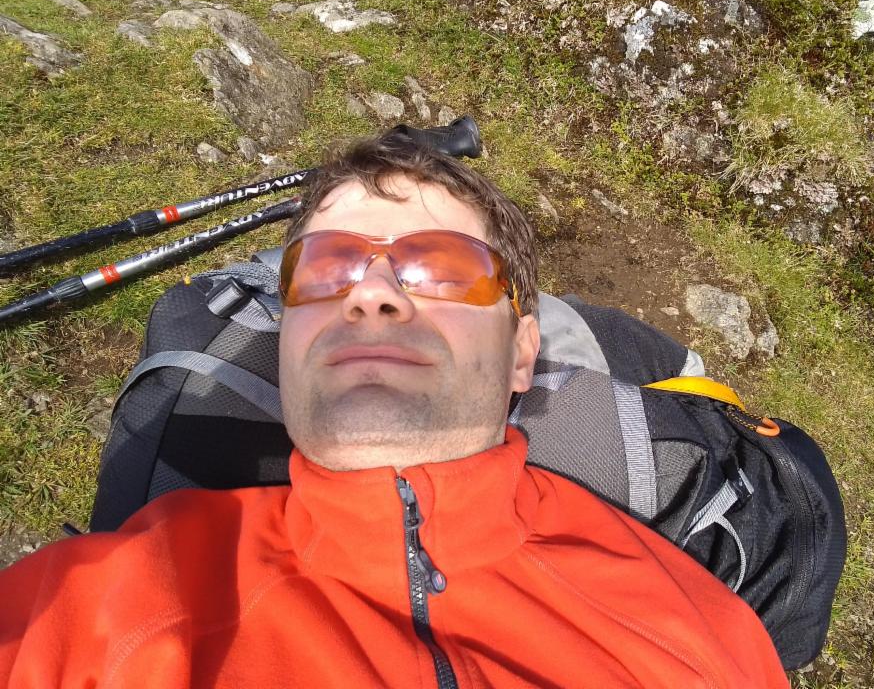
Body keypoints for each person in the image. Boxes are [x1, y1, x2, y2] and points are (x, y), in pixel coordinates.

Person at [0, 135, 788, 688]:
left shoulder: (700, 634)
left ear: (522, 352)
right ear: (286, 339)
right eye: (328, 267)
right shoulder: (96, 611)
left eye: (440, 268)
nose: (371, 293)